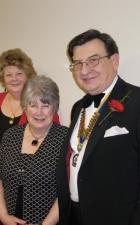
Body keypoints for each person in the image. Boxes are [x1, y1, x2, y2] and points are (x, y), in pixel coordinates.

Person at [57, 29, 140, 225]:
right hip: (74, 215)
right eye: (78, 64)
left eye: (93, 60)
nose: (84, 70)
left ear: (114, 60)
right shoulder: (78, 107)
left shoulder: (137, 102)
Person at [0, 48, 60, 225]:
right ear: (2, 77)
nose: (14, 78)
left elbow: (51, 155)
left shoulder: (40, 110)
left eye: (19, 73)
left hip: (24, 187)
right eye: (8, 74)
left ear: (28, 76)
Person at [0, 75, 68, 225]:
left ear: (55, 107)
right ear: (25, 107)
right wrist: (3, 216)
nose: (39, 112)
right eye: (33, 105)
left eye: (45, 105)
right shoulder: (10, 135)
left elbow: (66, 189)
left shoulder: (65, 138)